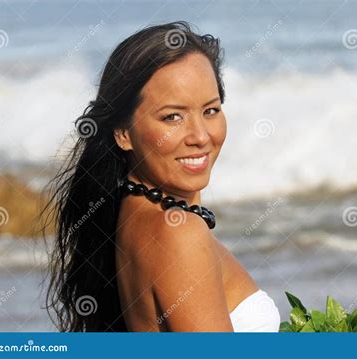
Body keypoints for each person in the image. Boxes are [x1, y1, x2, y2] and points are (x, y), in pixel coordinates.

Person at [43, 21, 280, 332]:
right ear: (123, 133)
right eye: (172, 117)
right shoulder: (178, 233)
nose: (200, 136)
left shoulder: (131, 212)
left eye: (210, 110)